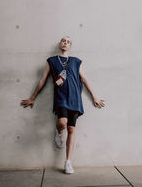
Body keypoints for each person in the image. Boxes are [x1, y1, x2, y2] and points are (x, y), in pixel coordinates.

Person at [20, 36, 105, 174]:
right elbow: (42, 80)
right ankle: (59, 132)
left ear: (70, 46)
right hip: (61, 99)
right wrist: (33, 97)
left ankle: (68, 162)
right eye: (63, 41)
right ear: (60, 44)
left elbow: (83, 79)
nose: (65, 43)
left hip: (75, 99)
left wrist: (94, 96)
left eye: (68, 42)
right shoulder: (52, 61)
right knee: (62, 123)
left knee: (71, 130)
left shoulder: (76, 61)